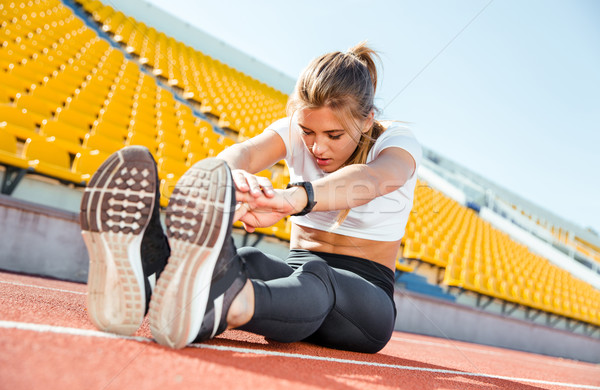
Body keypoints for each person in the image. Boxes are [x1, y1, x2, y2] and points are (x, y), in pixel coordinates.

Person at [80, 42, 421, 354]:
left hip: (366, 304)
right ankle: (149, 286)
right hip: (297, 283)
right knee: (248, 259)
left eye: (334, 135)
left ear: (367, 121)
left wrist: (293, 199)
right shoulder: (294, 130)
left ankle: (234, 302)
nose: (317, 147)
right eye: (307, 132)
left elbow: (375, 179)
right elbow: (241, 153)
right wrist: (233, 177)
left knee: (317, 275)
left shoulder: (396, 140)